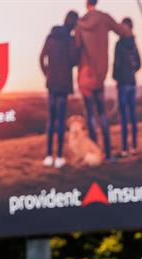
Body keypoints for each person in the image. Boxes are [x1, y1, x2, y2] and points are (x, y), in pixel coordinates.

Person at [74, 0, 131, 161]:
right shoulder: (104, 18)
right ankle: (108, 154)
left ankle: (95, 152)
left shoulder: (80, 24)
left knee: (90, 116)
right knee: (102, 115)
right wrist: (129, 32)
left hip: (85, 75)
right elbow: (123, 32)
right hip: (99, 75)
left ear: (86, 4)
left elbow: (76, 49)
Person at [39, 11, 80, 168]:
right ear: (73, 24)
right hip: (63, 85)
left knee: (51, 120)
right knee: (61, 121)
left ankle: (49, 156)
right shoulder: (69, 39)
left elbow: (41, 58)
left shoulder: (51, 36)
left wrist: (47, 74)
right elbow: (74, 61)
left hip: (51, 84)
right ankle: (60, 157)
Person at [112, 17, 142, 157]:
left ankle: (125, 149)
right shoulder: (133, 43)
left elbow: (116, 64)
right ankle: (134, 147)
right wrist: (132, 71)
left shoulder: (119, 44)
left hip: (123, 84)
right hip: (132, 82)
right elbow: (139, 63)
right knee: (133, 116)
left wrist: (116, 76)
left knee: (124, 117)